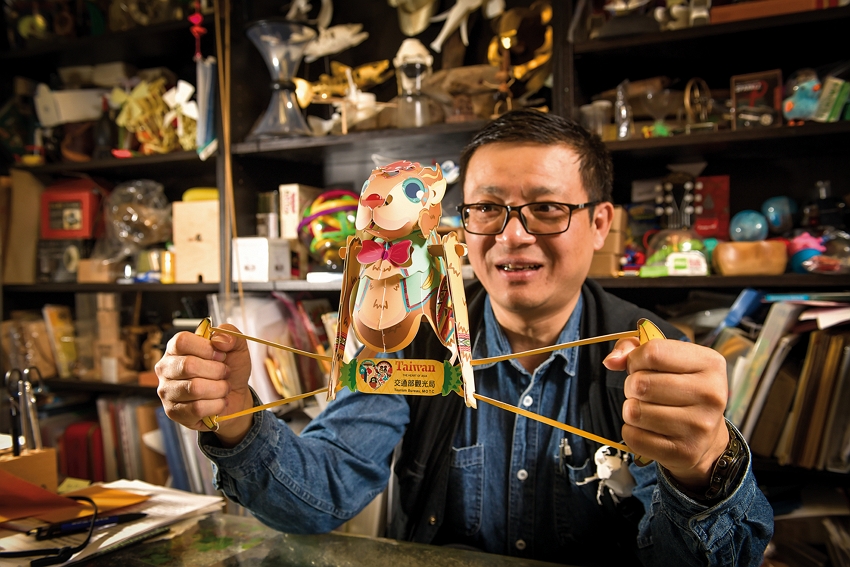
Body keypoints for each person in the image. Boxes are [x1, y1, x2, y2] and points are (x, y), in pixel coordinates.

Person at [156, 109, 773, 565]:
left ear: (601, 222)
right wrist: (235, 420)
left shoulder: (654, 357)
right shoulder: (411, 336)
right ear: (459, 224)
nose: (512, 235)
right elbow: (322, 491)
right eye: (487, 208)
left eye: (547, 208)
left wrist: (702, 473)